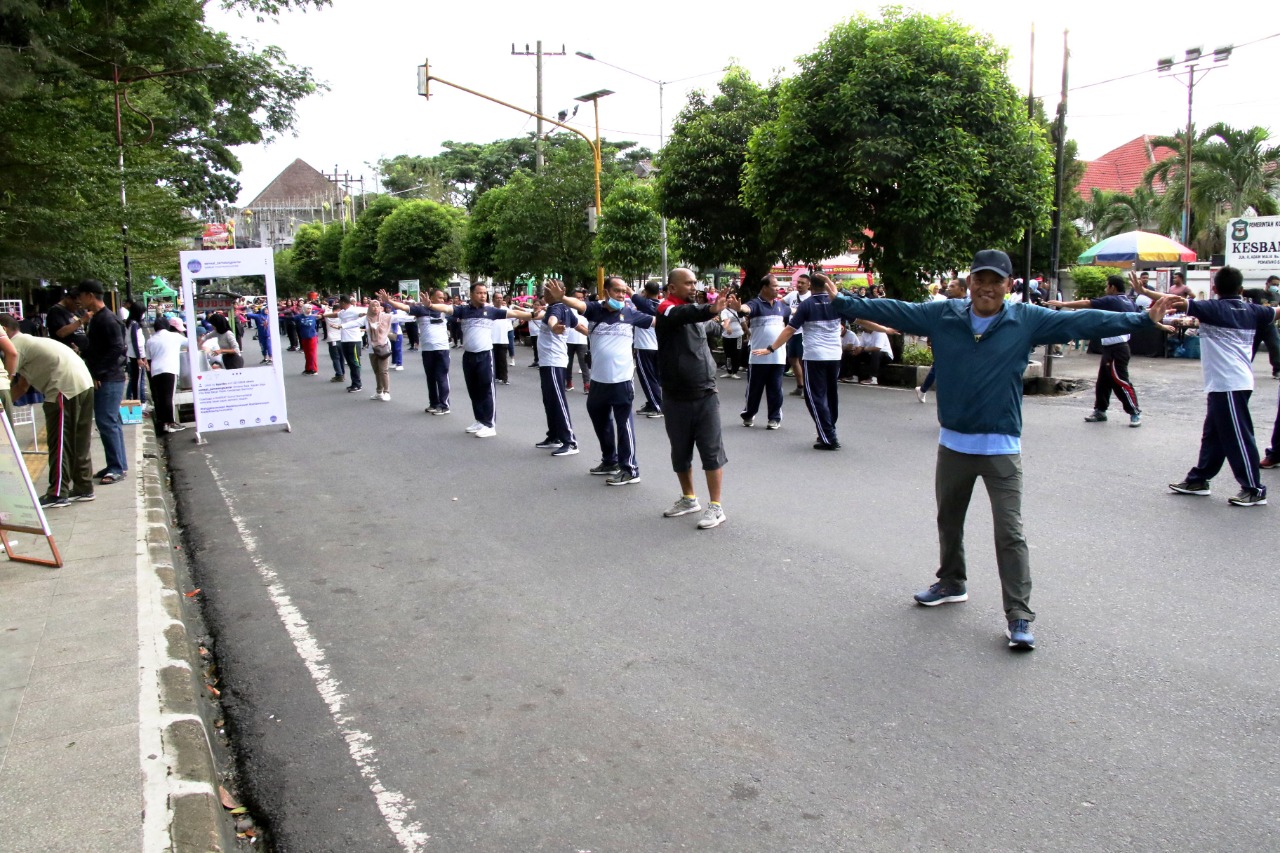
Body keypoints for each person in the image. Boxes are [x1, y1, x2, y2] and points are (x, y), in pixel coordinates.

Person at [828, 249, 1175, 650]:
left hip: (1001, 447)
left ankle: (1019, 616)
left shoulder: (1024, 319)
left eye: (996, 281)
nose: (987, 288)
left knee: (1010, 533)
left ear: (1009, 286)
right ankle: (951, 582)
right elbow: (897, 309)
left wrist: (1138, 318)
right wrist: (845, 302)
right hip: (953, 445)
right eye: (980, 279)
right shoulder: (944, 315)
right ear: (970, 281)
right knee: (949, 520)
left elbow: (1081, 320)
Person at [1167, 266, 1279, 507]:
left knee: (1237, 435)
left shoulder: (1212, 308)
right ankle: (1199, 479)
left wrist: (1142, 290)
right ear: (1240, 289)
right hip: (1231, 383)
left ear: (1215, 288)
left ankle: (1253, 488)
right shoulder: (1254, 310)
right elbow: (1277, 312)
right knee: (1214, 434)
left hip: (1228, 383)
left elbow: (1175, 301)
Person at [655, 267, 738, 529]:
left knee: (711, 451)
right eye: (688, 283)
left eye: (695, 283)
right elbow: (684, 314)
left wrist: (725, 316)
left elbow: (711, 326)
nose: (694, 287)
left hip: (705, 393)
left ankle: (716, 506)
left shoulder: (698, 313)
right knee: (680, 452)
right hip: (675, 395)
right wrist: (711, 309)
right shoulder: (667, 309)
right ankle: (689, 499)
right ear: (672, 288)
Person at [561, 277, 655, 484]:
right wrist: (563, 298)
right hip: (598, 380)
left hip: (621, 379)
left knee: (624, 425)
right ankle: (609, 460)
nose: (621, 295)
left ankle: (630, 469)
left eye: (624, 292)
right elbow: (580, 304)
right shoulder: (595, 309)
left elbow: (657, 321)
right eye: (617, 291)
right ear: (606, 292)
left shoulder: (630, 313)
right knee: (599, 418)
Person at [0, 313, 95, 508]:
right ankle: (84, 487)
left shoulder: (16, 346)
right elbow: (22, 386)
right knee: (78, 440)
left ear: (5, 330)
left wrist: (6, 389)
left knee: (60, 442)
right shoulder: (30, 342)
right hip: (83, 383)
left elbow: (10, 382)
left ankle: (58, 493)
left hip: (62, 389)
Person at [421, 283, 532, 438]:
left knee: (486, 389)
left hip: (485, 356)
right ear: (471, 294)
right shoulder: (463, 310)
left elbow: (514, 314)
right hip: (469, 356)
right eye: (479, 293)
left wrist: (533, 315)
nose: (483, 296)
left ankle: (489, 424)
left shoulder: (491, 311)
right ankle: (479, 420)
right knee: (473, 390)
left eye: (485, 293)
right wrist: (431, 305)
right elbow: (447, 309)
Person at [756, 272, 844, 450]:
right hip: (835, 356)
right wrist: (885, 328)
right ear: (827, 284)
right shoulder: (837, 302)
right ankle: (827, 431)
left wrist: (771, 348)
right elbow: (862, 319)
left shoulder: (807, 305)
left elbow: (789, 330)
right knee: (830, 395)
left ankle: (828, 436)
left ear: (811, 285)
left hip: (815, 356)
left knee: (815, 397)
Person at [1047, 275, 1147, 427]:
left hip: (1117, 348)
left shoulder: (1112, 300)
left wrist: (1063, 303)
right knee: (1103, 381)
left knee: (1120, 381)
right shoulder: (1129, 301)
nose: (1105, 289)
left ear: (1113, 287)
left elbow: (1088, 303)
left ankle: (1134, 412)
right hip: (1114, 347)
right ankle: (1100, 410)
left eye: (1107, 286)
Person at [75, 280, 128, 485]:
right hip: (104, 376)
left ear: (90, 295)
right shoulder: (97, 318)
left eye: (80, 296)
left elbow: (117, 348)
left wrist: (98, 372)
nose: (78, 300)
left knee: (106, 422)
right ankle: (117, 464)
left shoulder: (108, 319)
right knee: (110, 422)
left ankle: (116, 467)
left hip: (109, 378)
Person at [529, 282, 582, 457]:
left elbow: (552, 320)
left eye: (548, 290)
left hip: (553, 362)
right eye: (544, 290)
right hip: (548, 362)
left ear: (561, 291)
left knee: (557, 401)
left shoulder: (557, 308)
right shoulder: (563, 308)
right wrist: (594, 334)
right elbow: (578, 325)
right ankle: (554, 436)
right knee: (550, 400)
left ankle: (570, 441)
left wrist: (553, 327)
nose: (545, 293)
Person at [381, 289, 451, 414]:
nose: (442, 300)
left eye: (443, 298)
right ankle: (434, 403)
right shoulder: (420, 310)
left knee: (441, 377)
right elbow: (404, 306)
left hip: (442, 349)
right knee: (430, 377)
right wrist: (389, 301)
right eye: (439, 297)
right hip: (427, 349)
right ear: (431, 297)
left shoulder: (444, 309)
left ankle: (444, 405)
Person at [738, 274, 790, 430]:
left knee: (776, 389)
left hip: (778, 356)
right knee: (755, 389)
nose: (777, 288)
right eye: (774, 286)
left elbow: (795, 311)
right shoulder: (755, 303)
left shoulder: (781, 306)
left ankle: (774, 418)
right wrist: (739, 308)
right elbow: (745, 309)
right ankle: (749, 414)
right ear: (765, 287)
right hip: (758, 357)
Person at [916, 277, 967, 402]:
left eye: (952, 286)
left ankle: (923, 389)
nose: (948, 288)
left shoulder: (970, 305)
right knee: (940, 365)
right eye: (949, 286)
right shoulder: (944, 304)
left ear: (962, 289)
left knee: (943, 366)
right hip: (943, 340)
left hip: (961, 342)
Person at [145, 317, 187, 434]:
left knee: (160, 397)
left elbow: (148, 359)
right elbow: (190, 342)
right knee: (169, 397)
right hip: (169, 369)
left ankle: (162, 423)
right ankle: (171, 423)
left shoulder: (150, 340)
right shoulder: (174, 336)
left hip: (155, 370)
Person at [631, 282, 663, 418]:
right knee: (654, 378)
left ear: (645, 292)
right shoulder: (661, 305)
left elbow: (635, 298)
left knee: (647, 378)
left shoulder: (644, 305)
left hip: (645, 347)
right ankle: (652, 403)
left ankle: (657, 406)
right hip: (657, 346)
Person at [327, 296, 364, 392]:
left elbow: (362, 314)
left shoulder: (354, 310)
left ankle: (358, 384)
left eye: (340, 303)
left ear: (343, 302)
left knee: (355, 363)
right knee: (350, 363)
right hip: (344, 340)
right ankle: (354, 383)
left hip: (354, 340)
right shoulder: (343, 312)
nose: (339, 304)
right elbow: (335, 315)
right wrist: (323, 316)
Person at [782, 273, 810, 396]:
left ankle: (807, 389)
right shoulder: (792, 295)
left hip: (803, 332)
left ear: (809, 285)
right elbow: (781, 303)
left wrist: (795, 312)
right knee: (792, 359)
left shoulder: (810, 298)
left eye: (802, 283)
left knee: (803, 361)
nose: (799, 285)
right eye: (798, 282)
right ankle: (800, 386)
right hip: (792, 331)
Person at [565, 286, 591, 392]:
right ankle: (569, 383)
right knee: (567, 363)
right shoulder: (566, 309)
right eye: (577, 297)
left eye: (581, 298)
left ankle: (587, 385)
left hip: (582, 340)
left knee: (584, 364)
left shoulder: (586, 309)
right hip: (568, 340)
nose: (580, 300)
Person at [124, 302, 148, 404]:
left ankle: (136, 403)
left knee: (135, 380)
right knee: (136, 381)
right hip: (135, 356)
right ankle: (137, 403)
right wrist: (139, 358)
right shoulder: (134, 324)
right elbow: (135, 341)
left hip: (136, 355)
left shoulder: (131, 323)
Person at [719, 297, 746, 379]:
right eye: (729, 301)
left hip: (738, 336)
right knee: (728, 355)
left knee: (737, 353)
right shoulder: (724, 311)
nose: (730, 303)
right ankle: (729, 371)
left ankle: (735, 372)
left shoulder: (739, 311)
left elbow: (743, 322)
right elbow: (725, 321)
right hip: (727, 336)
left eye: (732, 302)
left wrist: (748, 332)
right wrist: (727, 327)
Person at [294, 304, 320, 375]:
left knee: (312, 354)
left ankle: (314, 369)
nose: (309, 310)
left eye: (310, 308)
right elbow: (289, 318)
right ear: (304, 309)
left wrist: (314, 305)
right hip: (304, 337)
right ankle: (308, 369)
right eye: (307, 308)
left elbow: (321, 309)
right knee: (307, 354)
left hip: (312, 337)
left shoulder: (314, 316)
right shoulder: (299, 317)